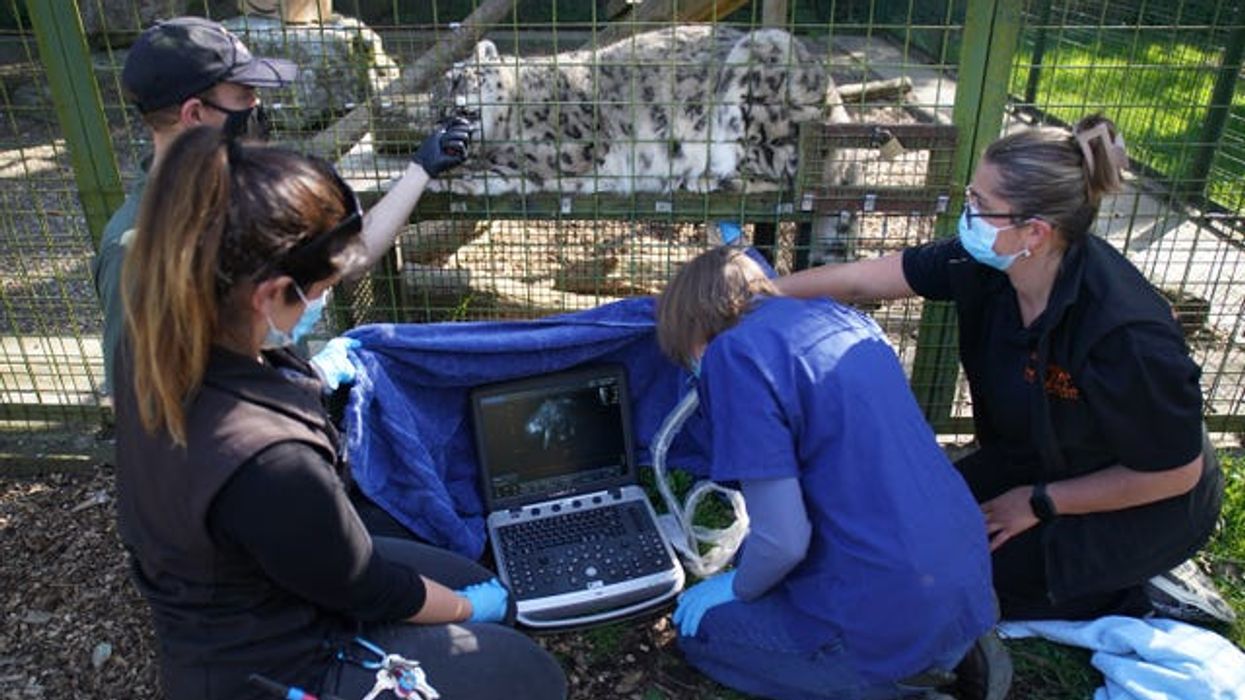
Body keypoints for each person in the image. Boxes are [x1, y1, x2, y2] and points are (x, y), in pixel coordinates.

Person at [113, 125, 566, 700]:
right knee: (530, 675)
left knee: (475, 583)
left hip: (245, 588)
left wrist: (312, 375)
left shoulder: (158, 338)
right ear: (270, 294)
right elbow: (368, 588)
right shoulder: (272, 462)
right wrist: (462, 610)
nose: (327, 296)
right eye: (323, 285)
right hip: (278, 666)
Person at [776, 114, 1227, 623]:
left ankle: (1148, 593)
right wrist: (762, 292)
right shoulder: (991, 263)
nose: (967, 215)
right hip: (1039, 459)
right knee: (898, 532)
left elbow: (1175, 472)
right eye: (971, 196)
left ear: (1033, 232)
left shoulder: (1125, 333)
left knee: (949, 584)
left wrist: (1039, 503)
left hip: (1147, 500)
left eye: (980, 206)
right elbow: (866, 279)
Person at [655, 246, 1006, 700]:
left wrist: (737, 589)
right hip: (966, 584)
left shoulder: (733, 355)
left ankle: (898, 686)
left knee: (700, 634)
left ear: (693, 330)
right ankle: (948, 652)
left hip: (885, 613)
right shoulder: (841, 319)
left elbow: (783, 542)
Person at [93, 16, 470, 397]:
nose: (257, 106)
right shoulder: (135, 248)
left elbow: (344, 257)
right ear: (194, 114)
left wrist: (419, 171)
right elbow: (140, 403)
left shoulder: (245, 191)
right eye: (244, 94)